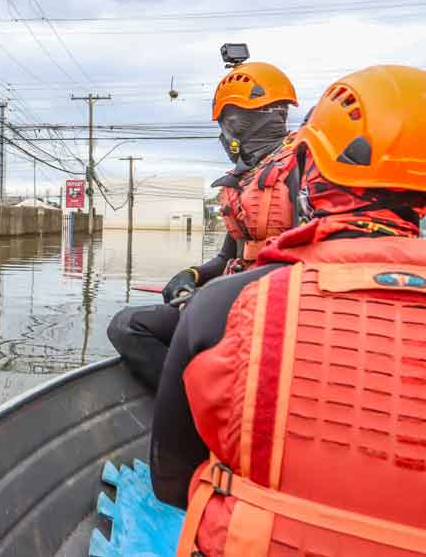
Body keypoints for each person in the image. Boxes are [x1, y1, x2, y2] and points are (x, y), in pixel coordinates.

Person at [151, 65, 426, 556]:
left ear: (314, 169)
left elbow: (170, 483)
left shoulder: (224, 307)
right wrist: (194, 277)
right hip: (260, 287)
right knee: (133, 326)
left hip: (263, 301)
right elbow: (225, 255)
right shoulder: (240, 194)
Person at [108, 55, 299, 389]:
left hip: (279, 310)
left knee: (184, 330)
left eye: (227, 123)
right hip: (235, 301)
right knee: (126, 326)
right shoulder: (244, 180)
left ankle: (207, 404)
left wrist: (216, 294)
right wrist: (193, 276)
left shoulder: (300, 168)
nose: (225, 135)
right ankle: (197, 400)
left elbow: (305, 264)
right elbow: (228, 257)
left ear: (241, 124)